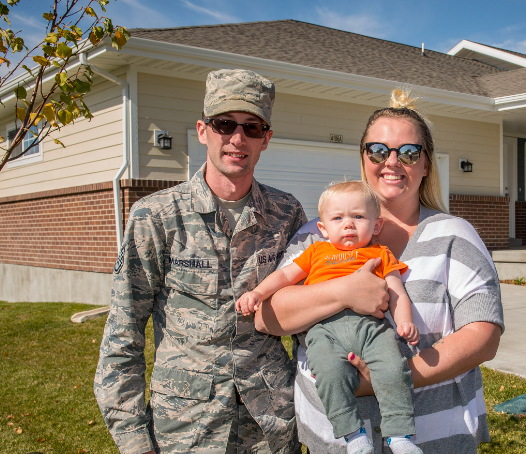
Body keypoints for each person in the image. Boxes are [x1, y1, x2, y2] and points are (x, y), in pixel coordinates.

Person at [254, 89, 504, 453]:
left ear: (426, 164)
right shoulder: (316, 234)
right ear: (363, 158)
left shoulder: (454, 234)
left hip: (435, 439)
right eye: (378, 150)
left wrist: (388, 380)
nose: (392, 161)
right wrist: (343, 292)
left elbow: (483, 335)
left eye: (408, 152)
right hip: (333, 441)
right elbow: (267, 318)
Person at [94, 69, 306, 454]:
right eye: (225, 124)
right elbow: (122, 335)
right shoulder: (155, 217)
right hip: (184, 431)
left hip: (271, 430)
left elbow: (310, 317)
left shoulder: (287, 213)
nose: (237, 138)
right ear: (203, 130)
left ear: (266, 139)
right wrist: (133, 440)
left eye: (252, 128)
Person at [236, 180, 422, 454]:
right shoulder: (316, 251)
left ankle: (399, 434)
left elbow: (397, 294)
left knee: (394, 368)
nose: (348, 224)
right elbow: (286, 276)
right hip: (323, 330)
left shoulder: (381, 254)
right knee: (328, 373)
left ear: (376, 225)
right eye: (338, 218)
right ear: (323, 228)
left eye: (358, 217)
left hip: (372, 328)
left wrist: (405, 321)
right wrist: (258, 292)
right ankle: (353, 435)